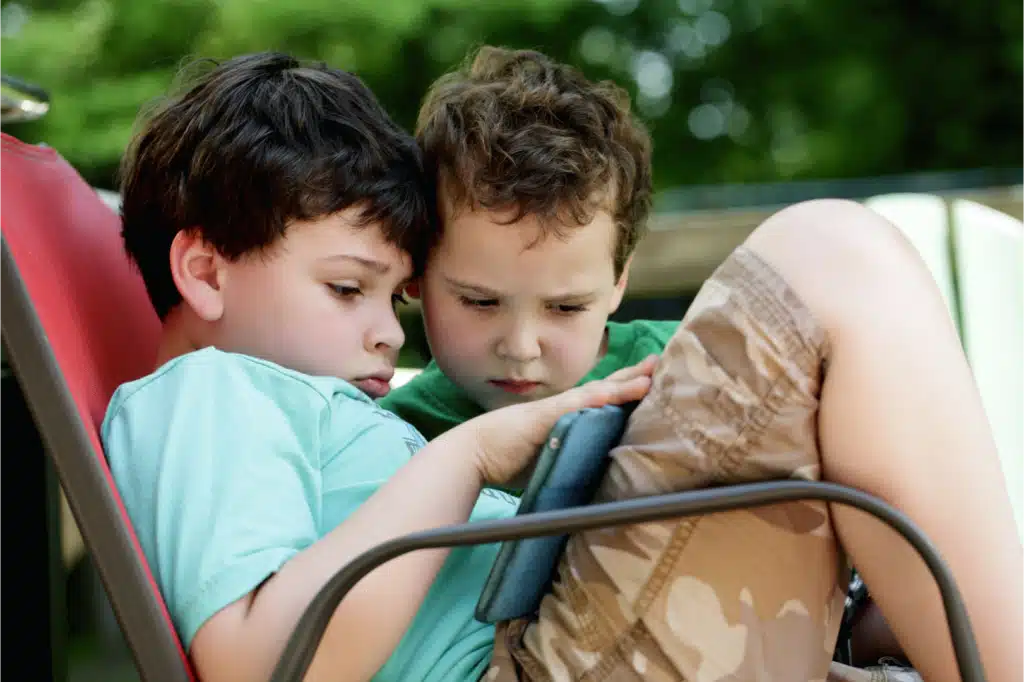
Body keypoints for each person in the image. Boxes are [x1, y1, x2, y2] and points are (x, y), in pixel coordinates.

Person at [381, 46, 1024, 682]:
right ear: (416, 277)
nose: (521, 344)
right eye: (479, 301)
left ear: (618, 282)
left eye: (566, 307)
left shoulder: (687, 372)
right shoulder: (398, 439)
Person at [102, 51, 654, 682]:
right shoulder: (207, 393)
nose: (391, 333)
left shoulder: (300, 410)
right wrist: (467, 457)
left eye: (394, 297)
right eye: (345, 288)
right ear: (206, 274)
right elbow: (254, 668)